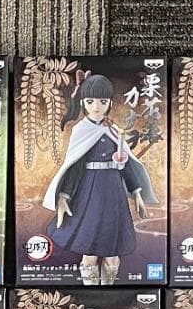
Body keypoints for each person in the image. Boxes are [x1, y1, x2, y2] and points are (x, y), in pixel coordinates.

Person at [42, 73, 157, 286]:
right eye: (90, 101)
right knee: (90, 248)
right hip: (89, 191)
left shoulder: (114, 130)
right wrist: (64, 196)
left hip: (114, 192)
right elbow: (74, 167)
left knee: (112, 251)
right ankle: (90, 288)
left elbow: (125, 164)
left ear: (110, 103)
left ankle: (108, 287)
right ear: (83, 102)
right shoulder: (80, 130)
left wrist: (137, 193)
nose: (96, 107)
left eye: (102, 102)